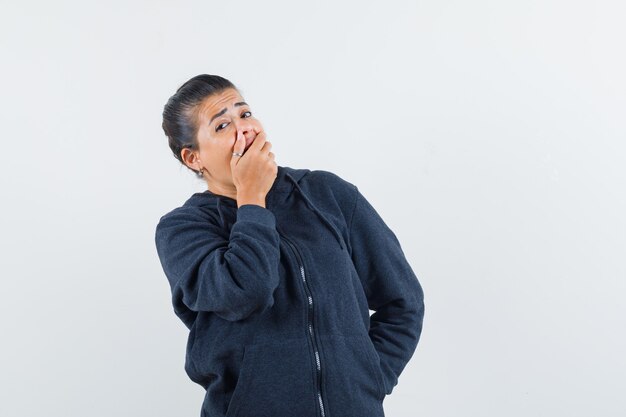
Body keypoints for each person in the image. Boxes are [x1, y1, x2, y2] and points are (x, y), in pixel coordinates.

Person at [154, 74, 425, 417]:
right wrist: (252, 198)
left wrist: (369, 379)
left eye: (245, 113)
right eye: (222, 126)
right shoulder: (183, 230)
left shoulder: (327, 194)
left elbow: (404, 301)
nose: (244, 129)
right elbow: (245, 292)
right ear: (194, 158)